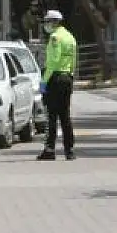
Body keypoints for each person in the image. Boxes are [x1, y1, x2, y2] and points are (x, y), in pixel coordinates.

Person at [37, 10, 77, 161]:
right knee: (65, 115)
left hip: (55, 79)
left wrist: (44, 81)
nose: (46, 25)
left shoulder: (55, 38)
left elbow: (53, 62)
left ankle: (49, 149)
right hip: (67, 78)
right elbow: (74, 60)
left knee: (51, 115)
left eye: (47, 22)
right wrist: (71, 75)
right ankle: (69, 150)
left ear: (54, 22)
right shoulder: (70, 37)